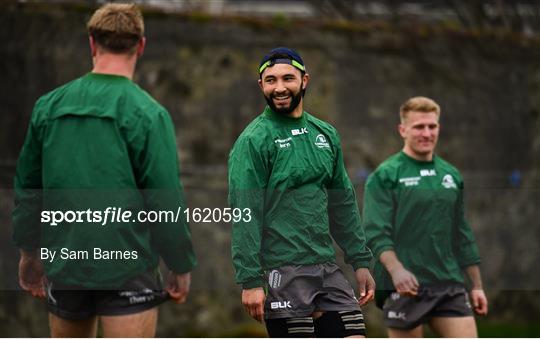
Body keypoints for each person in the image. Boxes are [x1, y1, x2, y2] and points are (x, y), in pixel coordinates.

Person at [12, 3, 196, 337]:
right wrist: (180, 264)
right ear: (140, 45)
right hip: (128, 265)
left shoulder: (49, 107)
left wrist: (29, 250)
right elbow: (165, 198)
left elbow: (28, 188)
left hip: (67, 261)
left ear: (92, 43)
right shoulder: (148, 114)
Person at [228, 47, 375, 338]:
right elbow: (245, 212)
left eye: (287, 78)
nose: (279, 87)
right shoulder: (254, 140)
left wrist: (360, 261)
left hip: (325, 268)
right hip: (283, 272)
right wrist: (250, 280)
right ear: (261, 85)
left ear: (304, 80)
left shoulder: (326, 135)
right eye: (270, 80)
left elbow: (342, 203)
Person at [362, 96, 488, 337]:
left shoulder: (450, 175)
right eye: (419, 126)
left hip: (448, 283)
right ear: (403, 129)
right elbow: (376, 233)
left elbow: (462, 233)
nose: (427, 133)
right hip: (403, 287)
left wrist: (477, 286)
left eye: (432, 126)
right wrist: (397, 271)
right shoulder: (385, 175)